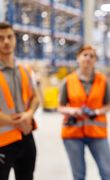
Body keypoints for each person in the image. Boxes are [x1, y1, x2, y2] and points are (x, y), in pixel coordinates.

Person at [58, 45, 110, 180]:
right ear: (78, 58)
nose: (88, 58)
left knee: (108, 173)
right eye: (85, 55)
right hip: (73, 134)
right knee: (79, 175)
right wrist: (73, 110)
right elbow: (60, 107)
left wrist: (96, 111)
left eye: (92, 56)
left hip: (97, 132)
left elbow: (108, 105)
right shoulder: (68, 81)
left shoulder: (102, 80)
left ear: (95, 60)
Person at [0, 22, 39, 180]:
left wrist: (29, 114)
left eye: (9, 37)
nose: (6, 41)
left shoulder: (25, 69)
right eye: (1, 38)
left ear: (15, 39)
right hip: (2, 141)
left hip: (26, 136)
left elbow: (35, 97)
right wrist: (13, 120)